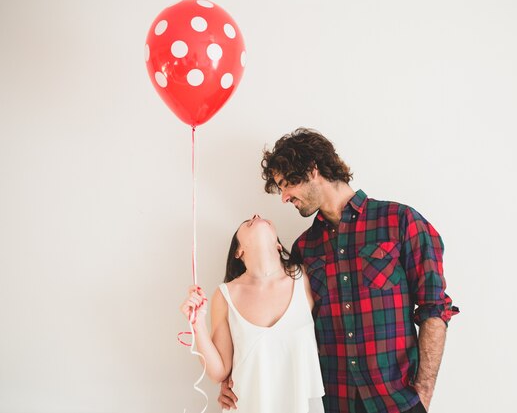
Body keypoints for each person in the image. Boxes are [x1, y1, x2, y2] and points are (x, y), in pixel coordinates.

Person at [219, 128, 459, 413]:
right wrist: (234, 378)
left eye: (285, 184)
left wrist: (423, 393)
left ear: (311, 169)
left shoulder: (401, 222)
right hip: (334, 403)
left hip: (397, 402)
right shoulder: (304, 249)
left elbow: (435, 308)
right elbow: (283, 328)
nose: (283, 197)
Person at [181, 214, 325, 413]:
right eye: (246, 222)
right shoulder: (225, 294)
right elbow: (218, 372)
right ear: (238, 252)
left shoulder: (305, 278)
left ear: (278, 245)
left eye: (267, 219)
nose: (256, 215)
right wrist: (197, 323)